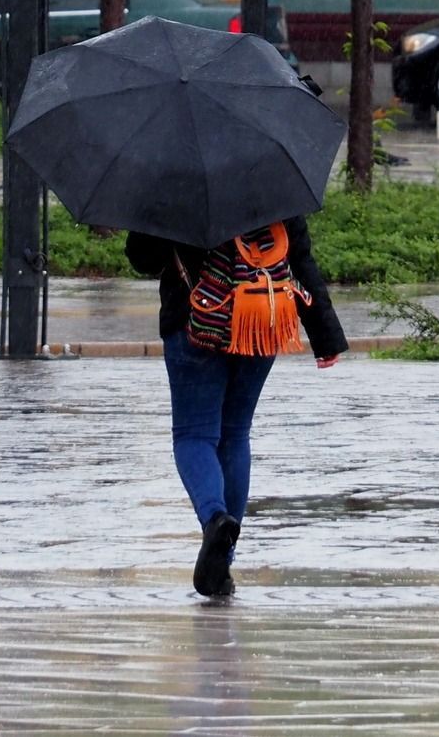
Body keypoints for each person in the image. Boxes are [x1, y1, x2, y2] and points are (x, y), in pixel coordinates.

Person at [128, 216, 346, 598]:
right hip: (261, 320)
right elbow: (301, 259)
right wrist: (326, 336)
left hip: (196, 323)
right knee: (234, 436)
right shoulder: (274, 175)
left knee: (194, 435)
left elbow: (144, 257)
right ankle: (222, 564)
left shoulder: (179, 179)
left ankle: (215, 518)